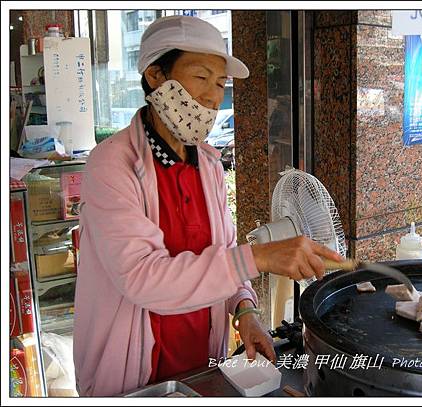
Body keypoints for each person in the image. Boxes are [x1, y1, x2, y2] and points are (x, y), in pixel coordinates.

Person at [73, 15, 344, 397]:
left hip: (201, 366)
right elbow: (141, 277)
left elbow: (223, 256)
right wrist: (260, 257)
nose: (213, 97)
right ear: (155, 75)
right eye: (200, 77)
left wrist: (245, 309)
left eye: (220, 83)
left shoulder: (209, 164)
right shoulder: (112, 164)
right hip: (133, 379)